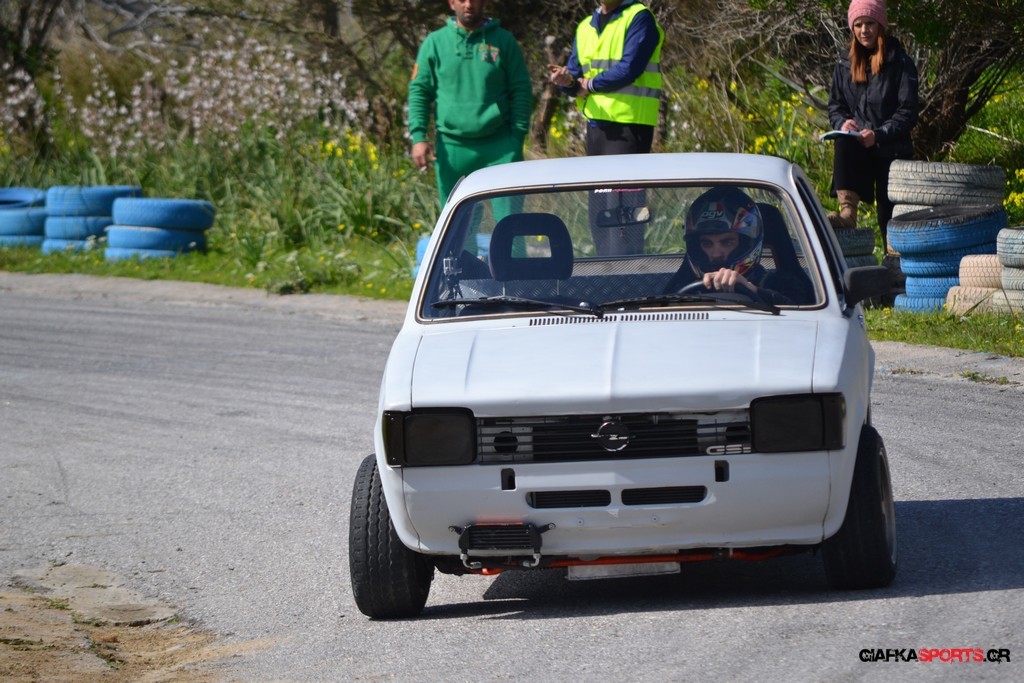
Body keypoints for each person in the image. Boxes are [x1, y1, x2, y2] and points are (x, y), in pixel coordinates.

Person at [547, 0, 665, 256]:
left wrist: (588, 85)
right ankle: (606, 266)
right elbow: (575, 75)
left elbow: (629, 68)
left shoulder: (639, 17)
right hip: (596, 126)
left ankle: (628, 268)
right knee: (600, 208)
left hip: (629, 125)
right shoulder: (585, 27)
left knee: (623, 211)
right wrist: (565, 81)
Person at [408, 0, 533, 209]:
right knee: (459, 225)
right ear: (451, 3)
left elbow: (521, 89)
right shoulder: (434, 43)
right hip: (453, 149)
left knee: (511, 221)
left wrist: (517, 137)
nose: (468, 5)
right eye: (462, 0)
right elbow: (419, 91)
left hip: (500, 147)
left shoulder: (504, 40)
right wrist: (418, 137)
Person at [826, 0, 918, 252]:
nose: (864, 30)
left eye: (869, 23)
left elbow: (908, 111)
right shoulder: (844, 63)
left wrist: (878, 135)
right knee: (843, 140)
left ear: (881, 26)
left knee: (887, 219)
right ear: (852, 28)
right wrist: (842, 122)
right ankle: (847, 213)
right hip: (859, 147)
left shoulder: (901, 62)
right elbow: (835, 105)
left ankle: (893, 262)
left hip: (892, 149)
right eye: (858, 25)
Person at [662, 187, 808, 306]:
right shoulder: (683, 285)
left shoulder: (782, 283)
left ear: (746, 243)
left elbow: (803, 320)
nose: (716, 253)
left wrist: (752, 290)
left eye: (727, 242)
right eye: (707, 243)